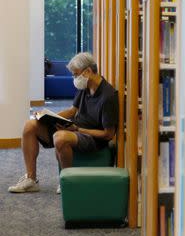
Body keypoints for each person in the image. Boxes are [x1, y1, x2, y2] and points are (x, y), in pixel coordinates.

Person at [8, 52, 119, 194]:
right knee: (30, 126)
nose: (74, 78)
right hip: (74, 128)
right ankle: (31, 179)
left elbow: (108, 134)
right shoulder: (85, 86)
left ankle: (67, 181)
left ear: (88, 72)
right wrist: (47, 116)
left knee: (60, 137)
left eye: (75, 74)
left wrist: (78, 129)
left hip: (93, 138)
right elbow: (72, 111)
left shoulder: (108, 96)